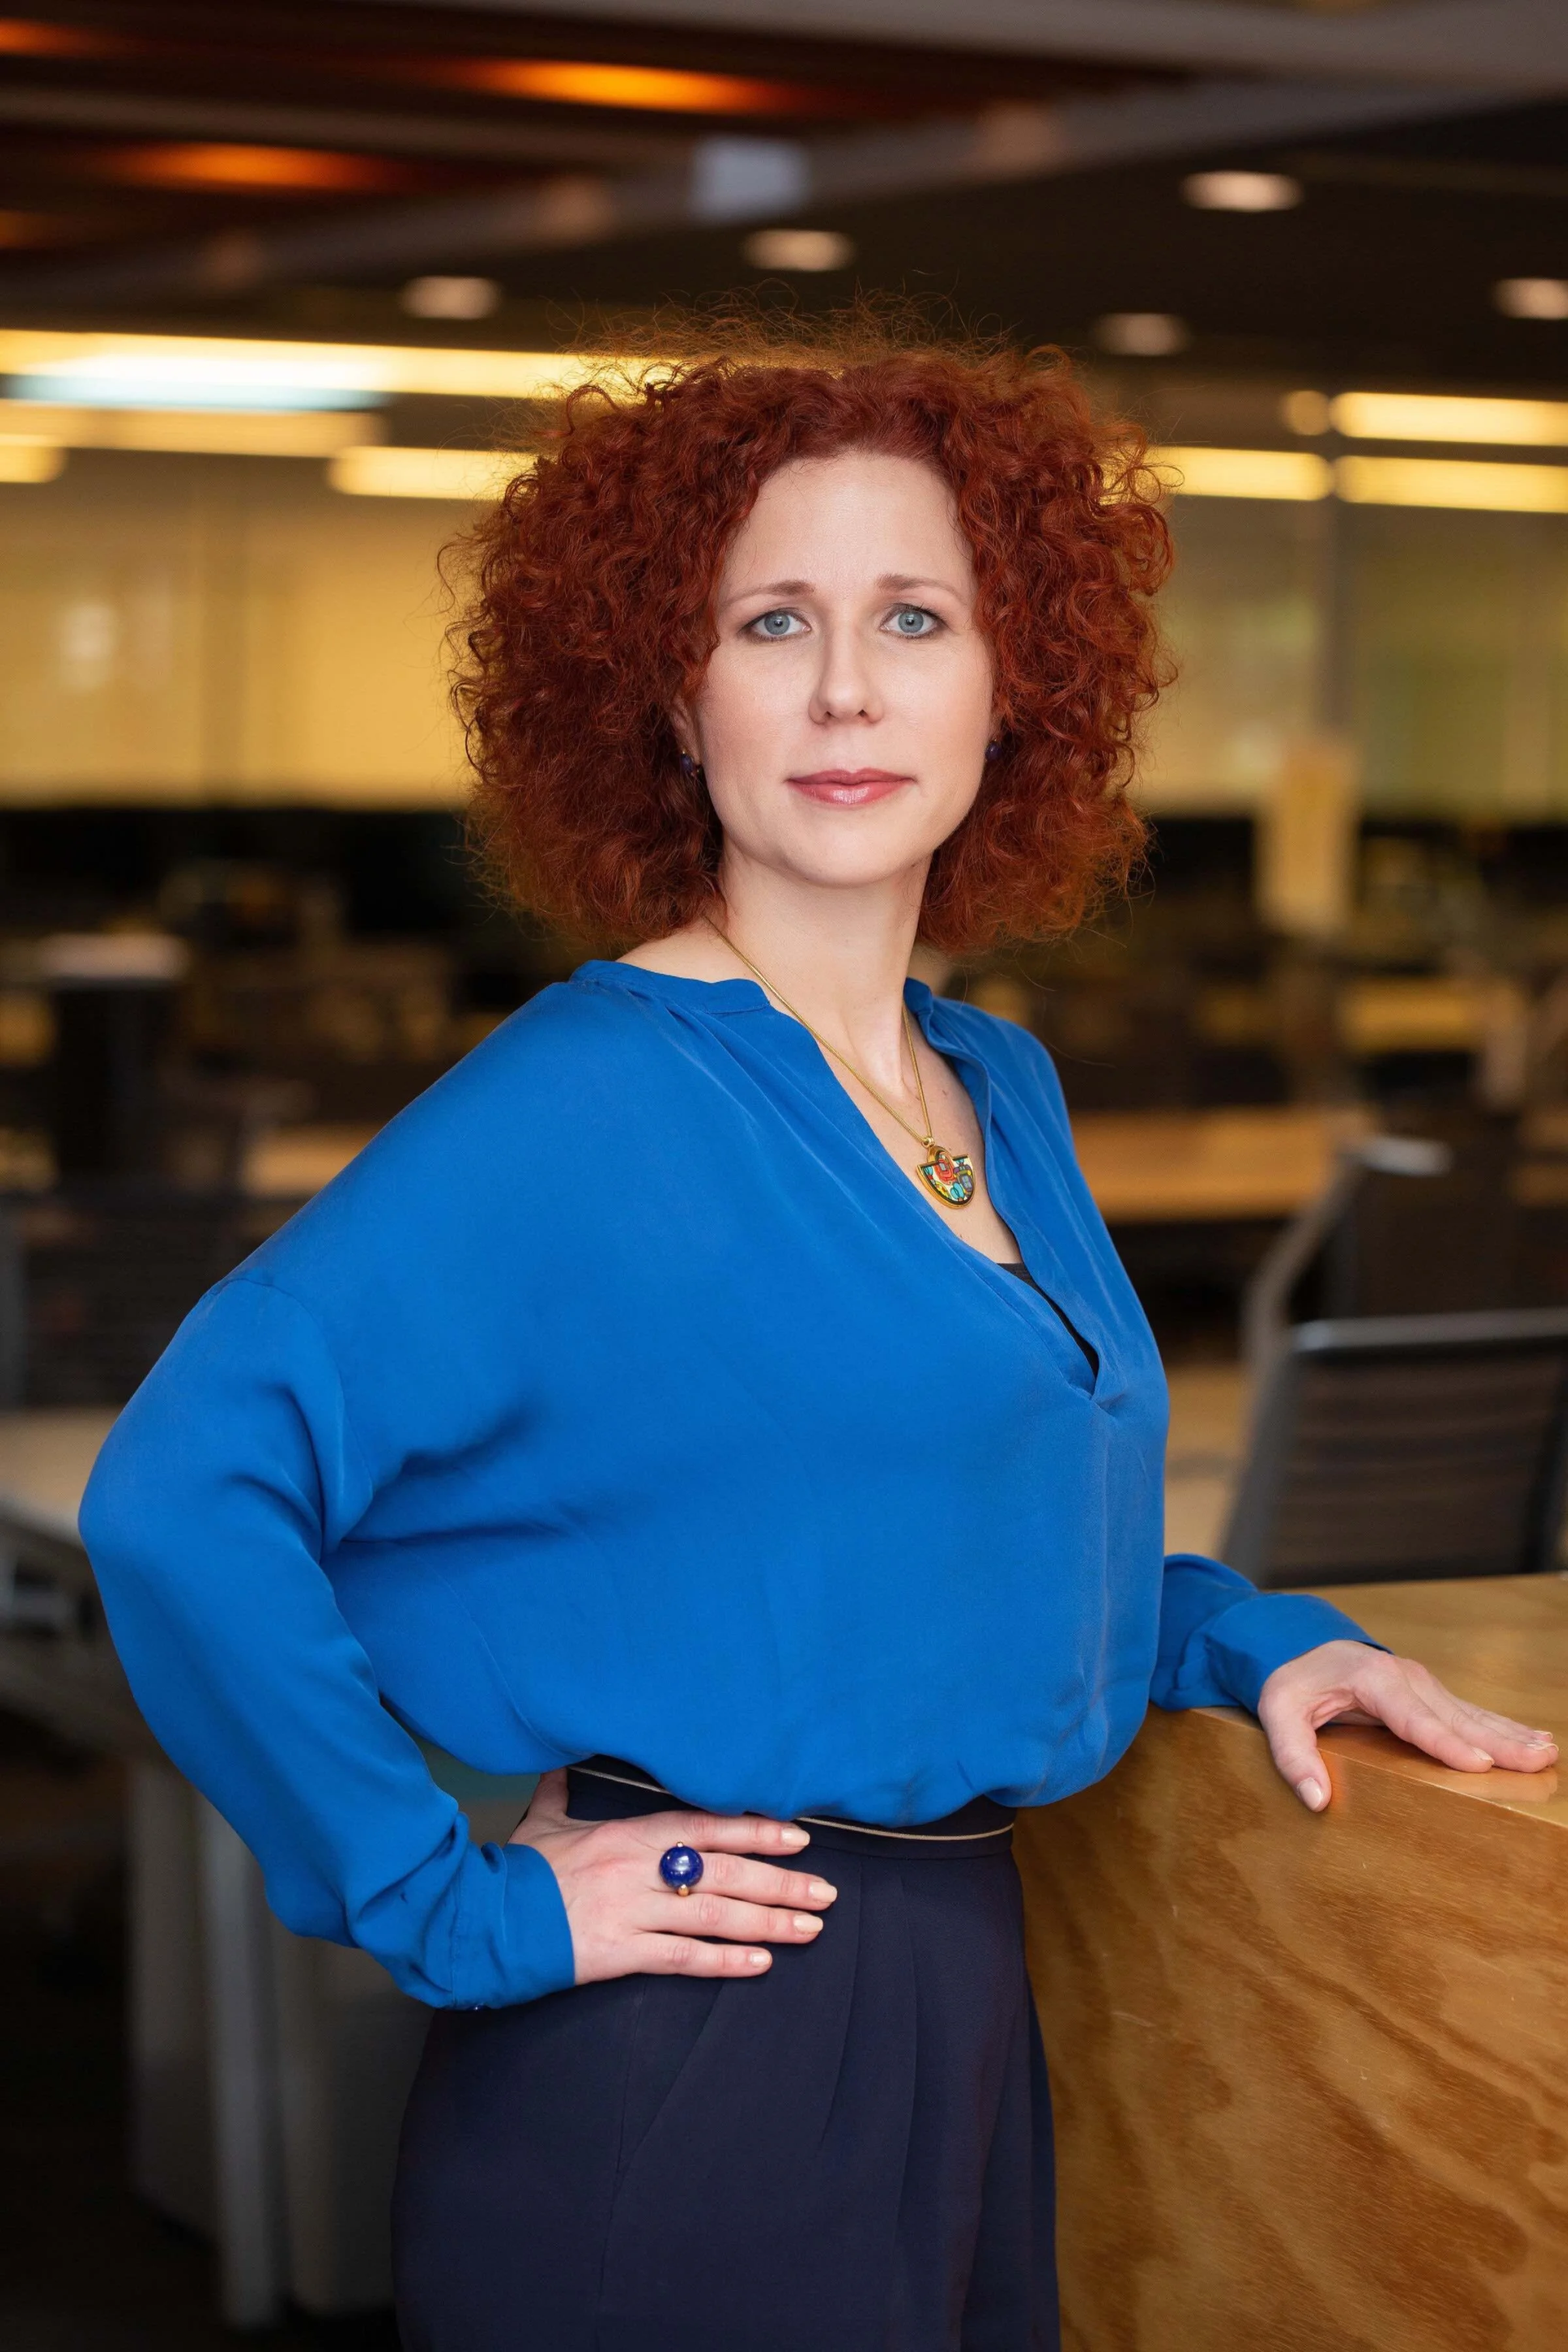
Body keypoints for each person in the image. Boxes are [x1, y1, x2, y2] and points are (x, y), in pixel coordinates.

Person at [80, 318, 1556, 2352]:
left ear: (1012, 684)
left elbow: (953, 1535)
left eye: (914, 618)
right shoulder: (587, 1099)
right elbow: (181, 1495)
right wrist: (446, 1902)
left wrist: (1251, 1642)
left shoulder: (993, 1084)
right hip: (693, 2042)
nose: (848, 687)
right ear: (669, 697)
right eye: (771, 622)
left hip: (965, 1997)